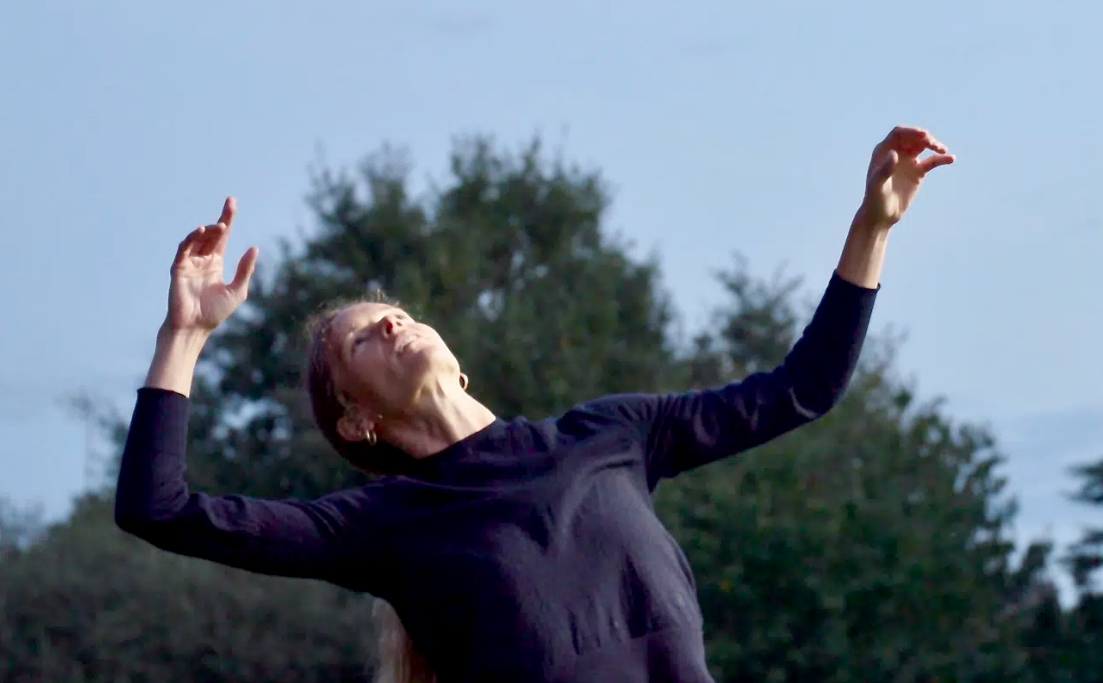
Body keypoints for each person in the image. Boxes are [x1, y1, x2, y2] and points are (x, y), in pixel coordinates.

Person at [115, 125, 955, 683]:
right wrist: (184, 334)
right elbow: (158, 507)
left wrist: (870, 229)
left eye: (399, 313)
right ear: (356, 420)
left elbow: (800, 389)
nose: (396, 324)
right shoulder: (384, 526)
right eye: (366, 338)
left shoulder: (613, 433)